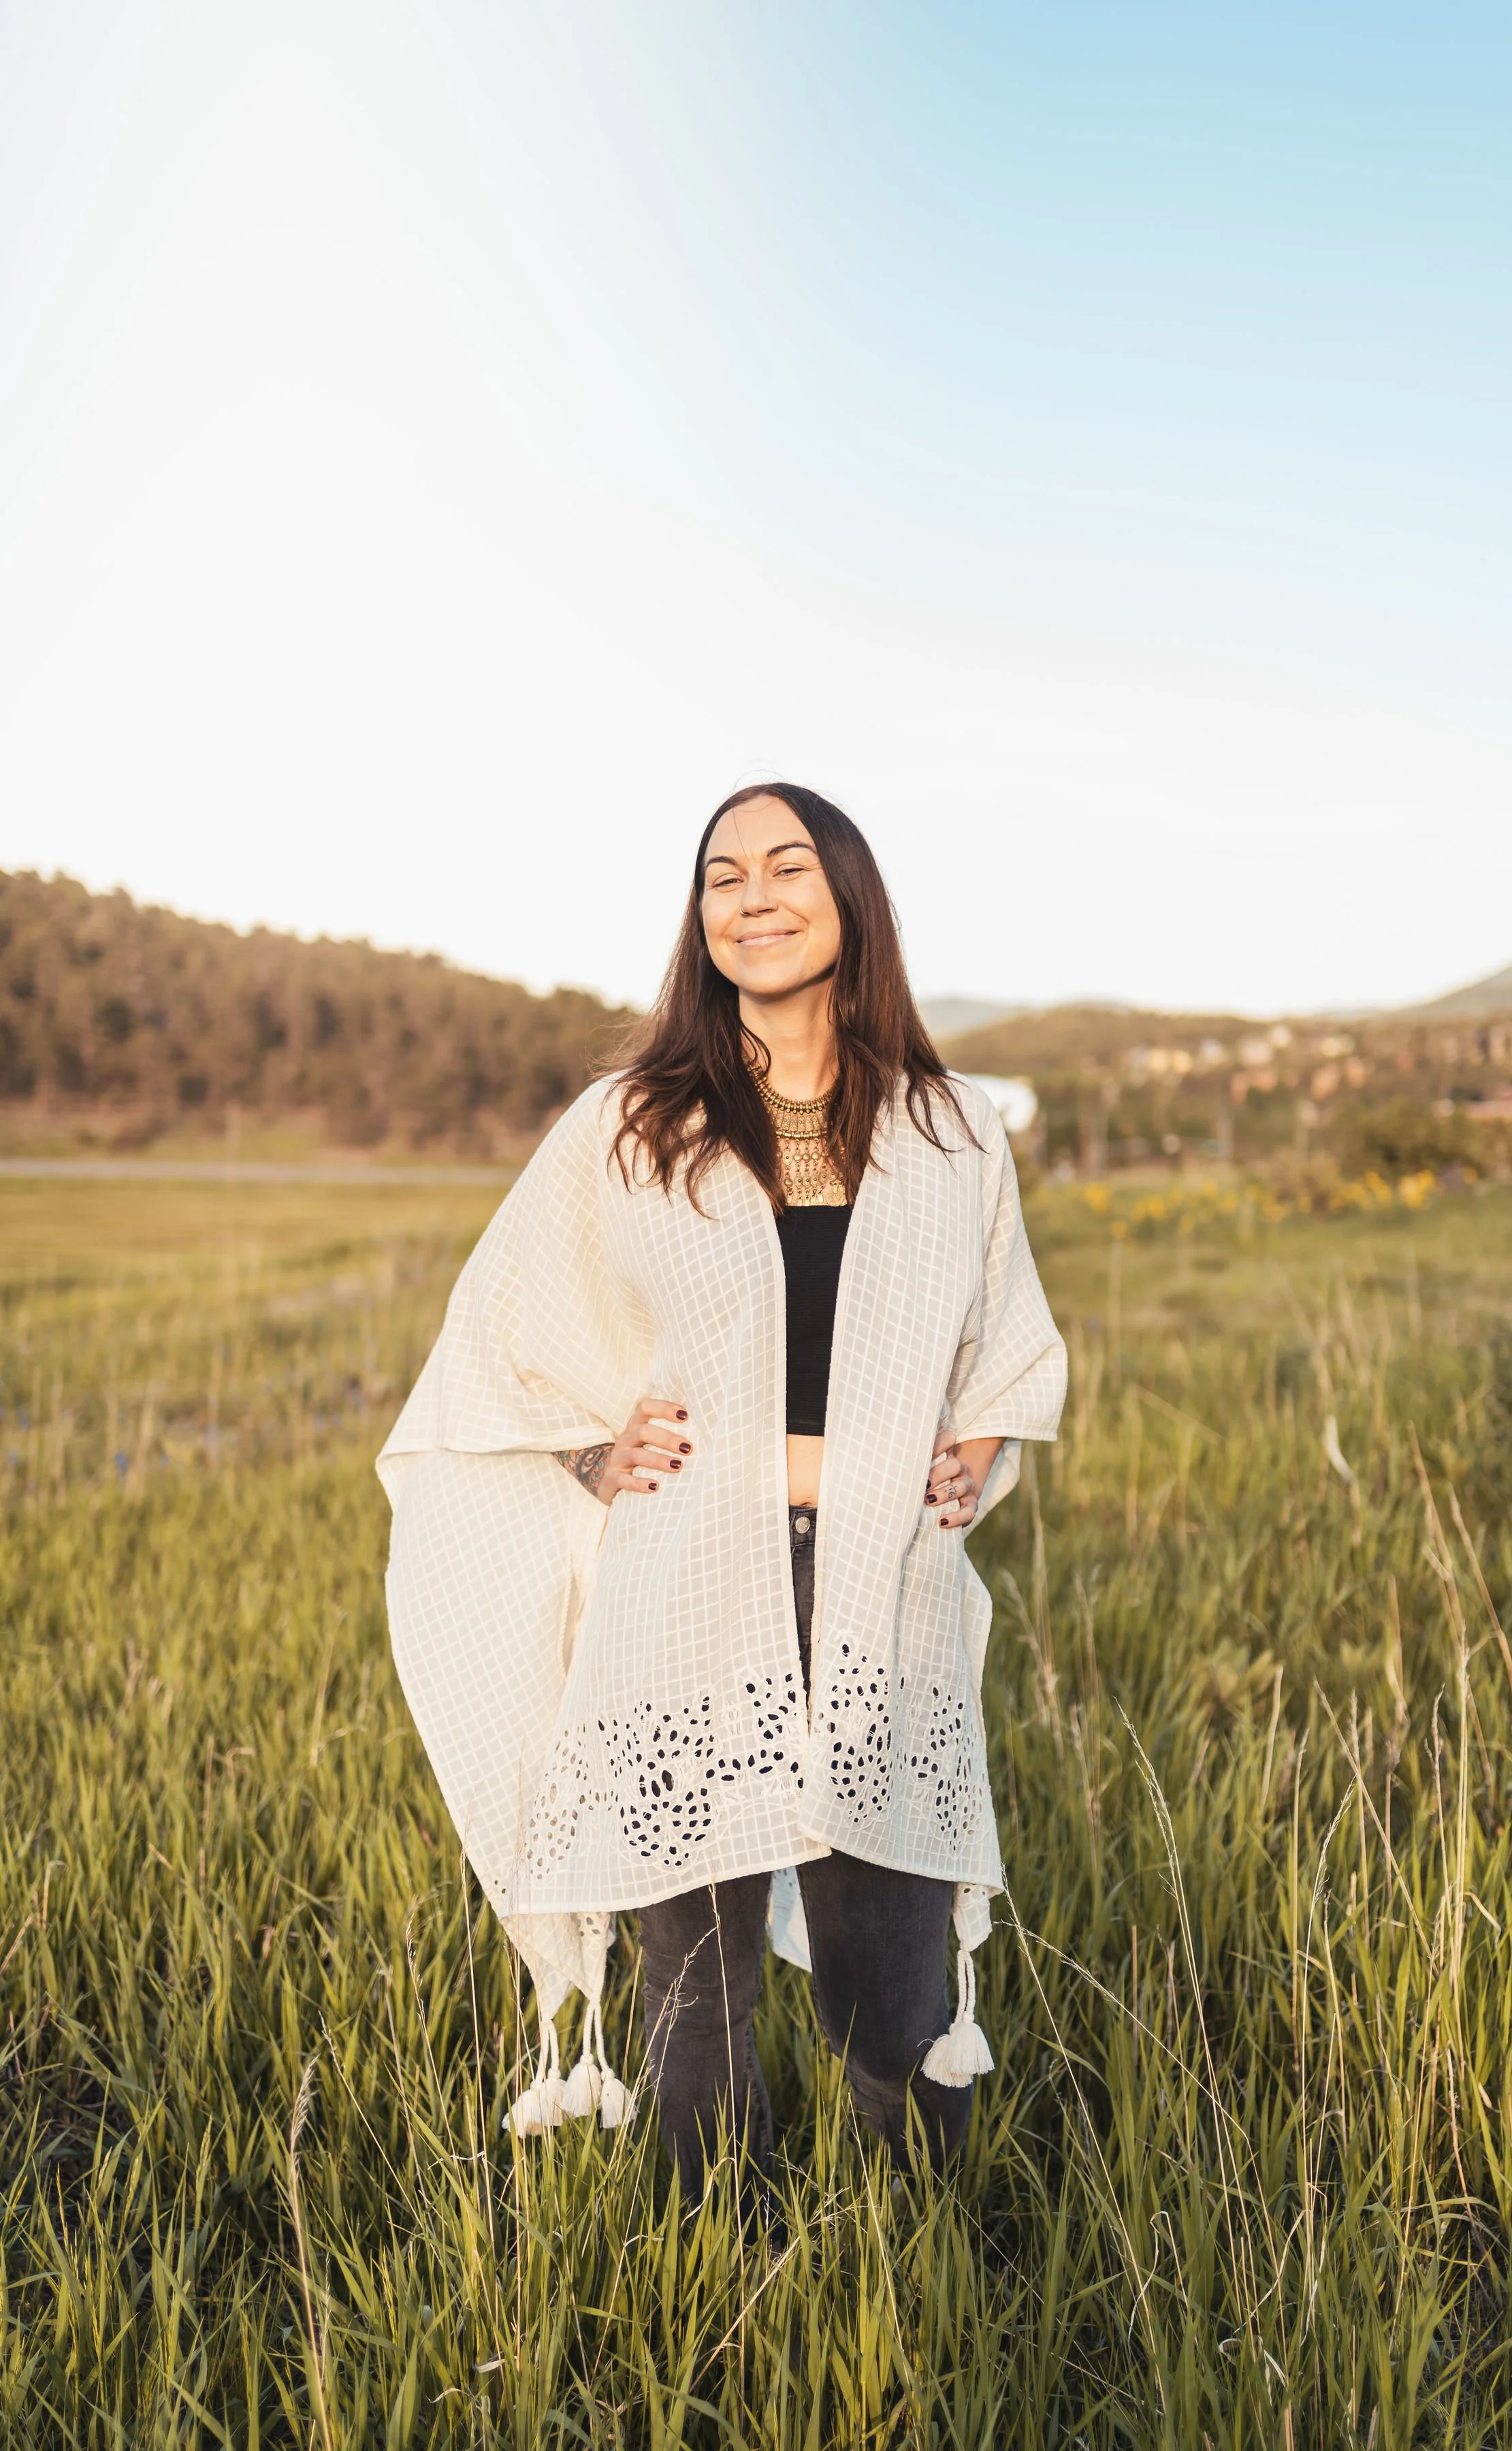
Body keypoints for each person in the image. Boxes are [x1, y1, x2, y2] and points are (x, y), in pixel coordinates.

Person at [378, 783, 1065, 2202]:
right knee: (697, 1994)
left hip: (877, 1578)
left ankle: (921, 2266)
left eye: (785, 867)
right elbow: (501, 1330)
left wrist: (980, 1448)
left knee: (894, 1982)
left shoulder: (949, 1129)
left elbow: (1009, 1339)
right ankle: (713, 2272)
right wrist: (594, 1451)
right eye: (722, 876)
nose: (752, 897)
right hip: (684, 1582)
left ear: (849, 895)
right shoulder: (634, 1122)